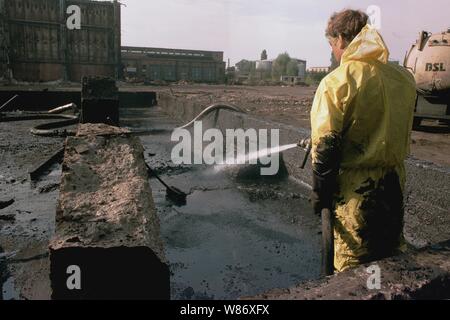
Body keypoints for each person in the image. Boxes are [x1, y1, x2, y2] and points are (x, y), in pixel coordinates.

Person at [310, 9, 417, 272]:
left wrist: (320, 193)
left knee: (354, 268)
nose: (334, 52)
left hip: (356, 194)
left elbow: (325, 147)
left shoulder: (336, 82)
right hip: (393, 184)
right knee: (390, 258)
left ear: (342, 39)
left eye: (332, 44)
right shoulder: (403, 78)